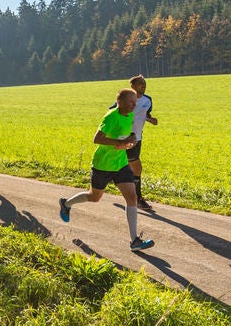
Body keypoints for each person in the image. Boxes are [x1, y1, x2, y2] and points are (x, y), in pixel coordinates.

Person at [58, 88, 155, 251]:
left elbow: (125, 135)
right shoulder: (110, 116)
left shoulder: (129, 115)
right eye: (130, 102)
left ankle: (134, 241)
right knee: (94, 197)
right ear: (120, 102)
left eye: (135, 102)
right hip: (103, 164)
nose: (133, 105)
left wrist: (131, 140)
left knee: (132, 197)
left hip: (121, 163)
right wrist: (119, 144)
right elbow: (97, 138)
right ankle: (66, 203)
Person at [126, 75, 159, 211]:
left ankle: (108, 179)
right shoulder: (125, 99)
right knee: (137, 168)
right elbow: (112, 112)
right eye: (141, 84)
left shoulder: (148, 100)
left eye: (145, 84)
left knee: (127, 166)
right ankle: (138, 199)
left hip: (138, 138)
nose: (144, 86)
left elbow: (145, 113)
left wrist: (151, 120)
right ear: (132, 86)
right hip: (125, 138)